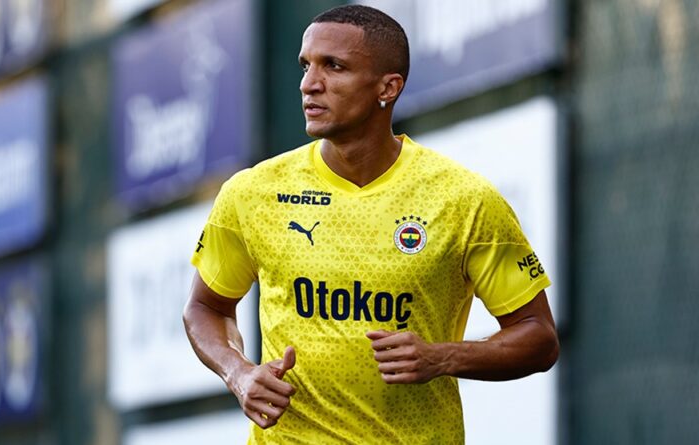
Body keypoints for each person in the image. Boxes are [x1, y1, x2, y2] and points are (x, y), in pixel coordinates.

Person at [183, 4, 559, 444]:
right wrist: (239, 373)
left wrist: (443, 357)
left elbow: (538, 337)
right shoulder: (252, 192)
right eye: (306, 66)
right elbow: (205, 307)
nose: (309, 84)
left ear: (388, 87)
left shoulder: (465, 200)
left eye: (334, 66)